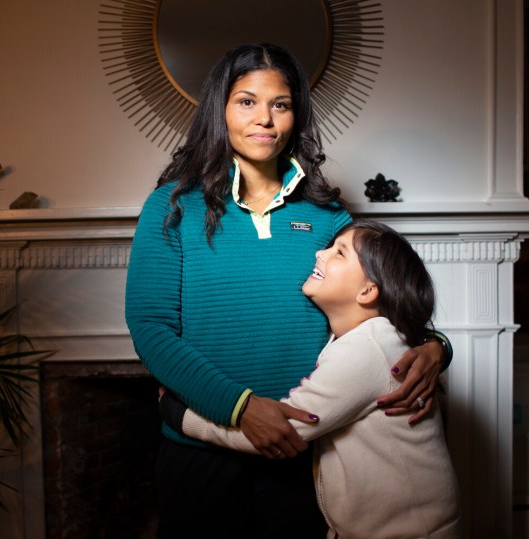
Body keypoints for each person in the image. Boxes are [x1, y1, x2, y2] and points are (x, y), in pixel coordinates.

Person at [125, 43, 452, 538]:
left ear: (296, 114)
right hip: (200, 458)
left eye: (280, 104)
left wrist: (435, 349)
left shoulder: (328, 217)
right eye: (247, 101)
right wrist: (240, 407)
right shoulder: (171, 207)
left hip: (303, 457)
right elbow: (150, 327)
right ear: (220, 108)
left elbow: (379, 307)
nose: (265, 119)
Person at [160, 220, 462, 538]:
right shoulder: (363, 338)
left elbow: (280, 432)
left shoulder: (367, 346)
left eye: (339, 253)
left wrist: (178, 414)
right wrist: (437, 344)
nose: (320, 252)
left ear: (368, 290)